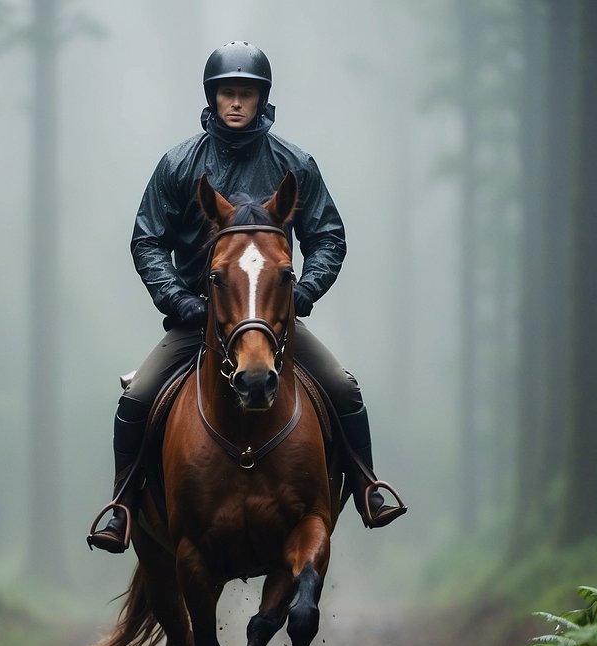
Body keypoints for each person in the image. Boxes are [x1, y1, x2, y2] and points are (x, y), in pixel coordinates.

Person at [87, 41, 402, 553]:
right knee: (137, 398)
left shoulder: (294, 163)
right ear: (212, 99)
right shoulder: (179, 164)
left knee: (343, 389)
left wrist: (301, 293)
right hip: (198, 320)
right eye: (227, 93)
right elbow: (147, 239)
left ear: (262, 100)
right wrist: (179, 301)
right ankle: (121, 507)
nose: (236, 103)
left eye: (246, 94)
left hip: (272, 320)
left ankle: (369, 488)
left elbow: (328, 237)